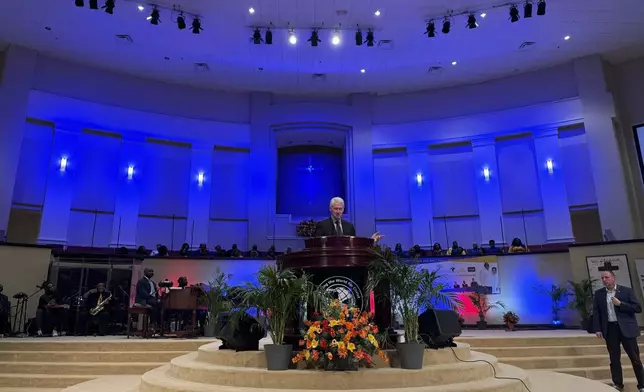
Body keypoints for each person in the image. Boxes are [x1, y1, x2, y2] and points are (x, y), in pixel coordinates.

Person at [593, 270, 644, 391]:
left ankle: (642, 385)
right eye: (602, 278)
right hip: (610, 329)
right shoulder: (599, 294)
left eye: (606, 277)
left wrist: (621, 304)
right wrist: (598, 328)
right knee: (614, 359)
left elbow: (637, 308)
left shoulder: (626, 291)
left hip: (627, 329)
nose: (604, 279)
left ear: (613, 278)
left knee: (635, 358)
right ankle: (618, 384)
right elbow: (596, 312)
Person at [314, 197, 384, 241]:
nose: (338, 212)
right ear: (330, 209)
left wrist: (371, 240)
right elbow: (316, 245)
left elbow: (355, 245)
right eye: (335, 209)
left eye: (340, 209)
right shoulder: (322, 225)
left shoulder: (349, 227)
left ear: (343, 209)